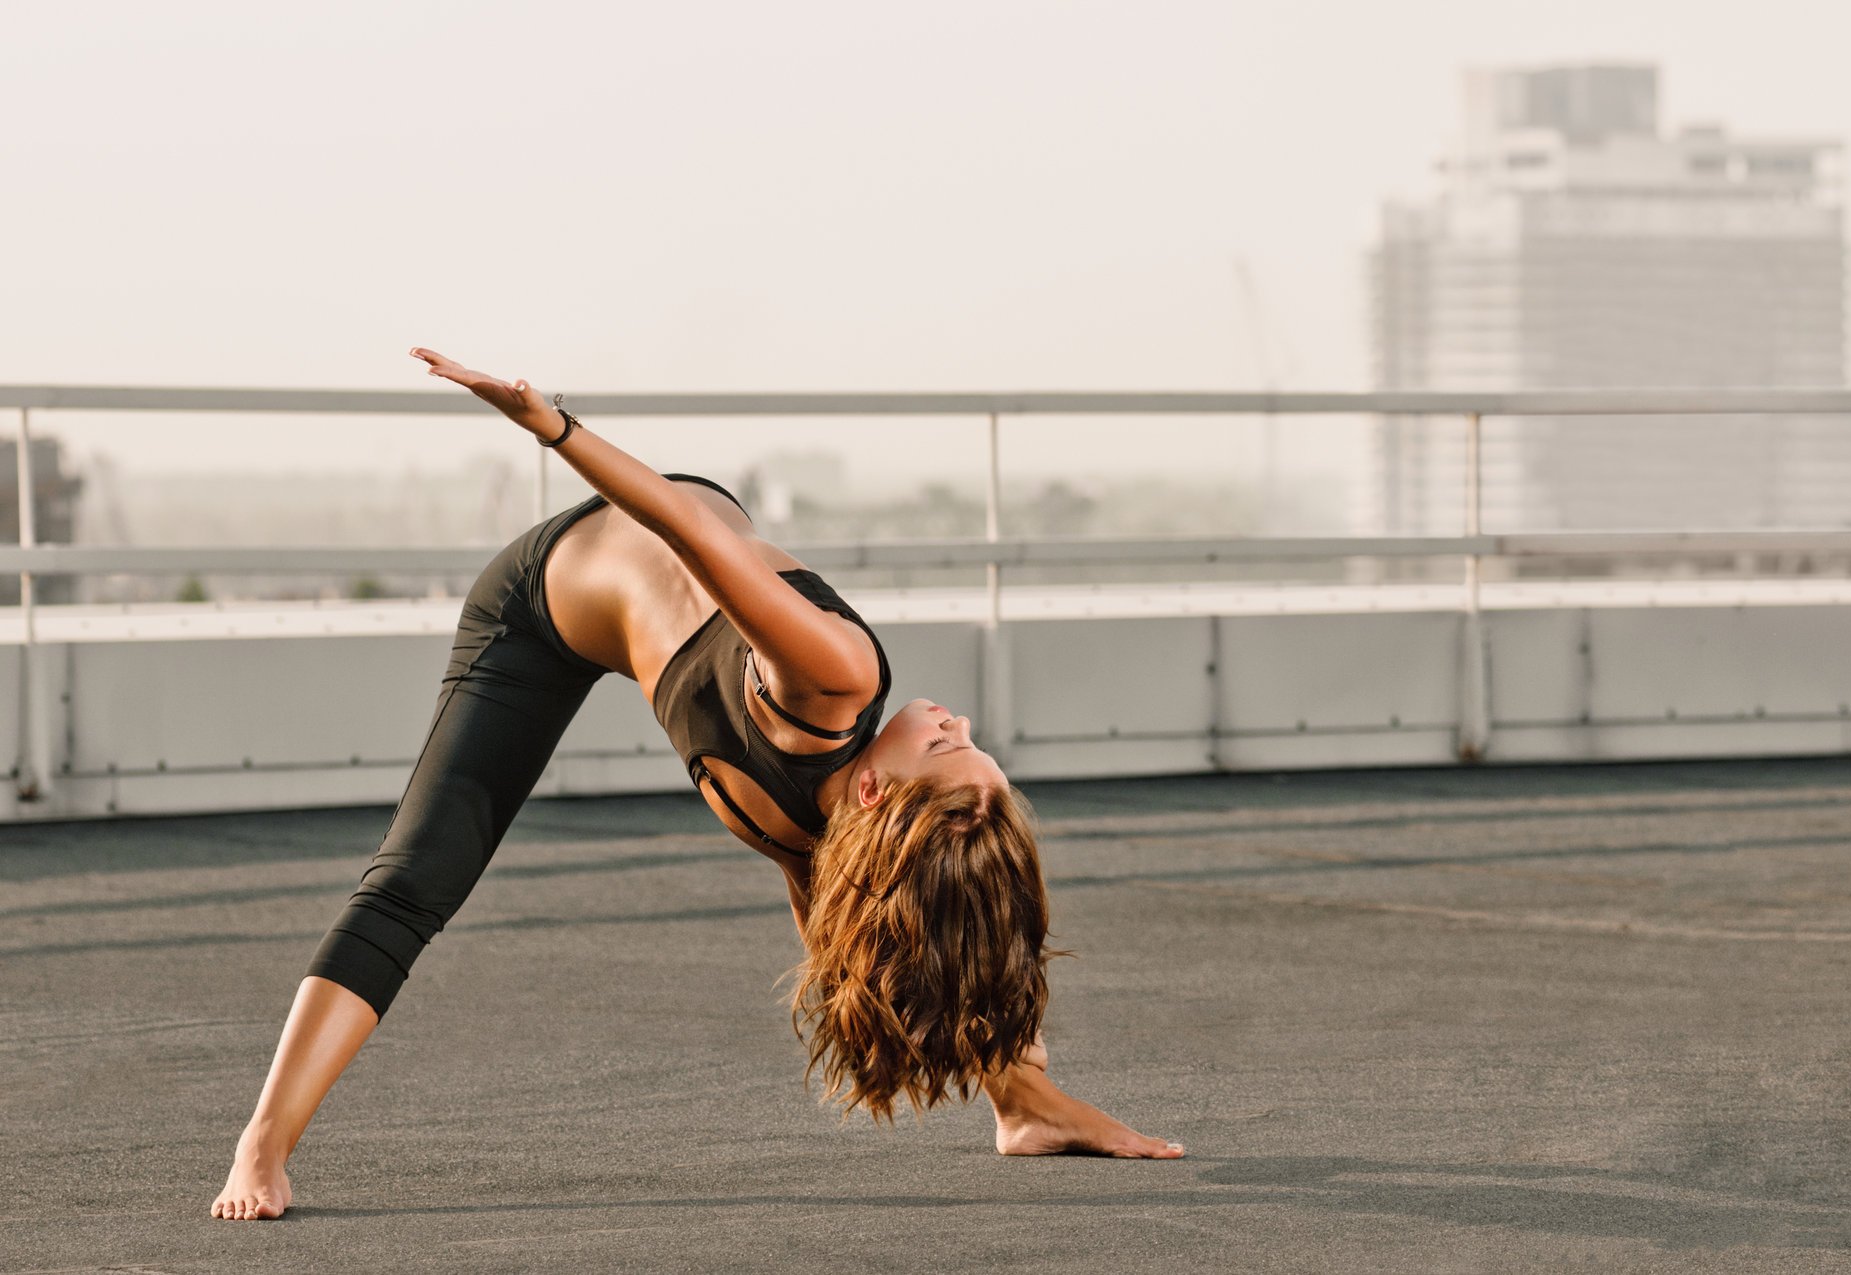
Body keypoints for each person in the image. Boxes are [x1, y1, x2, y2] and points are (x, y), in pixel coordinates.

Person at [210, 348, 1184, 1222]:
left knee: (938, 903)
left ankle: (1026, 1111)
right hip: (545, 600)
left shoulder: (835, 679)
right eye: (966, 740)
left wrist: (549, 423)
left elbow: (687, 532)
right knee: (414, 880)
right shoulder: (823, 828)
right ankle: (263, 1142)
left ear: (880, 798)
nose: (952, 721)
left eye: (947, 744)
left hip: (640, 538)